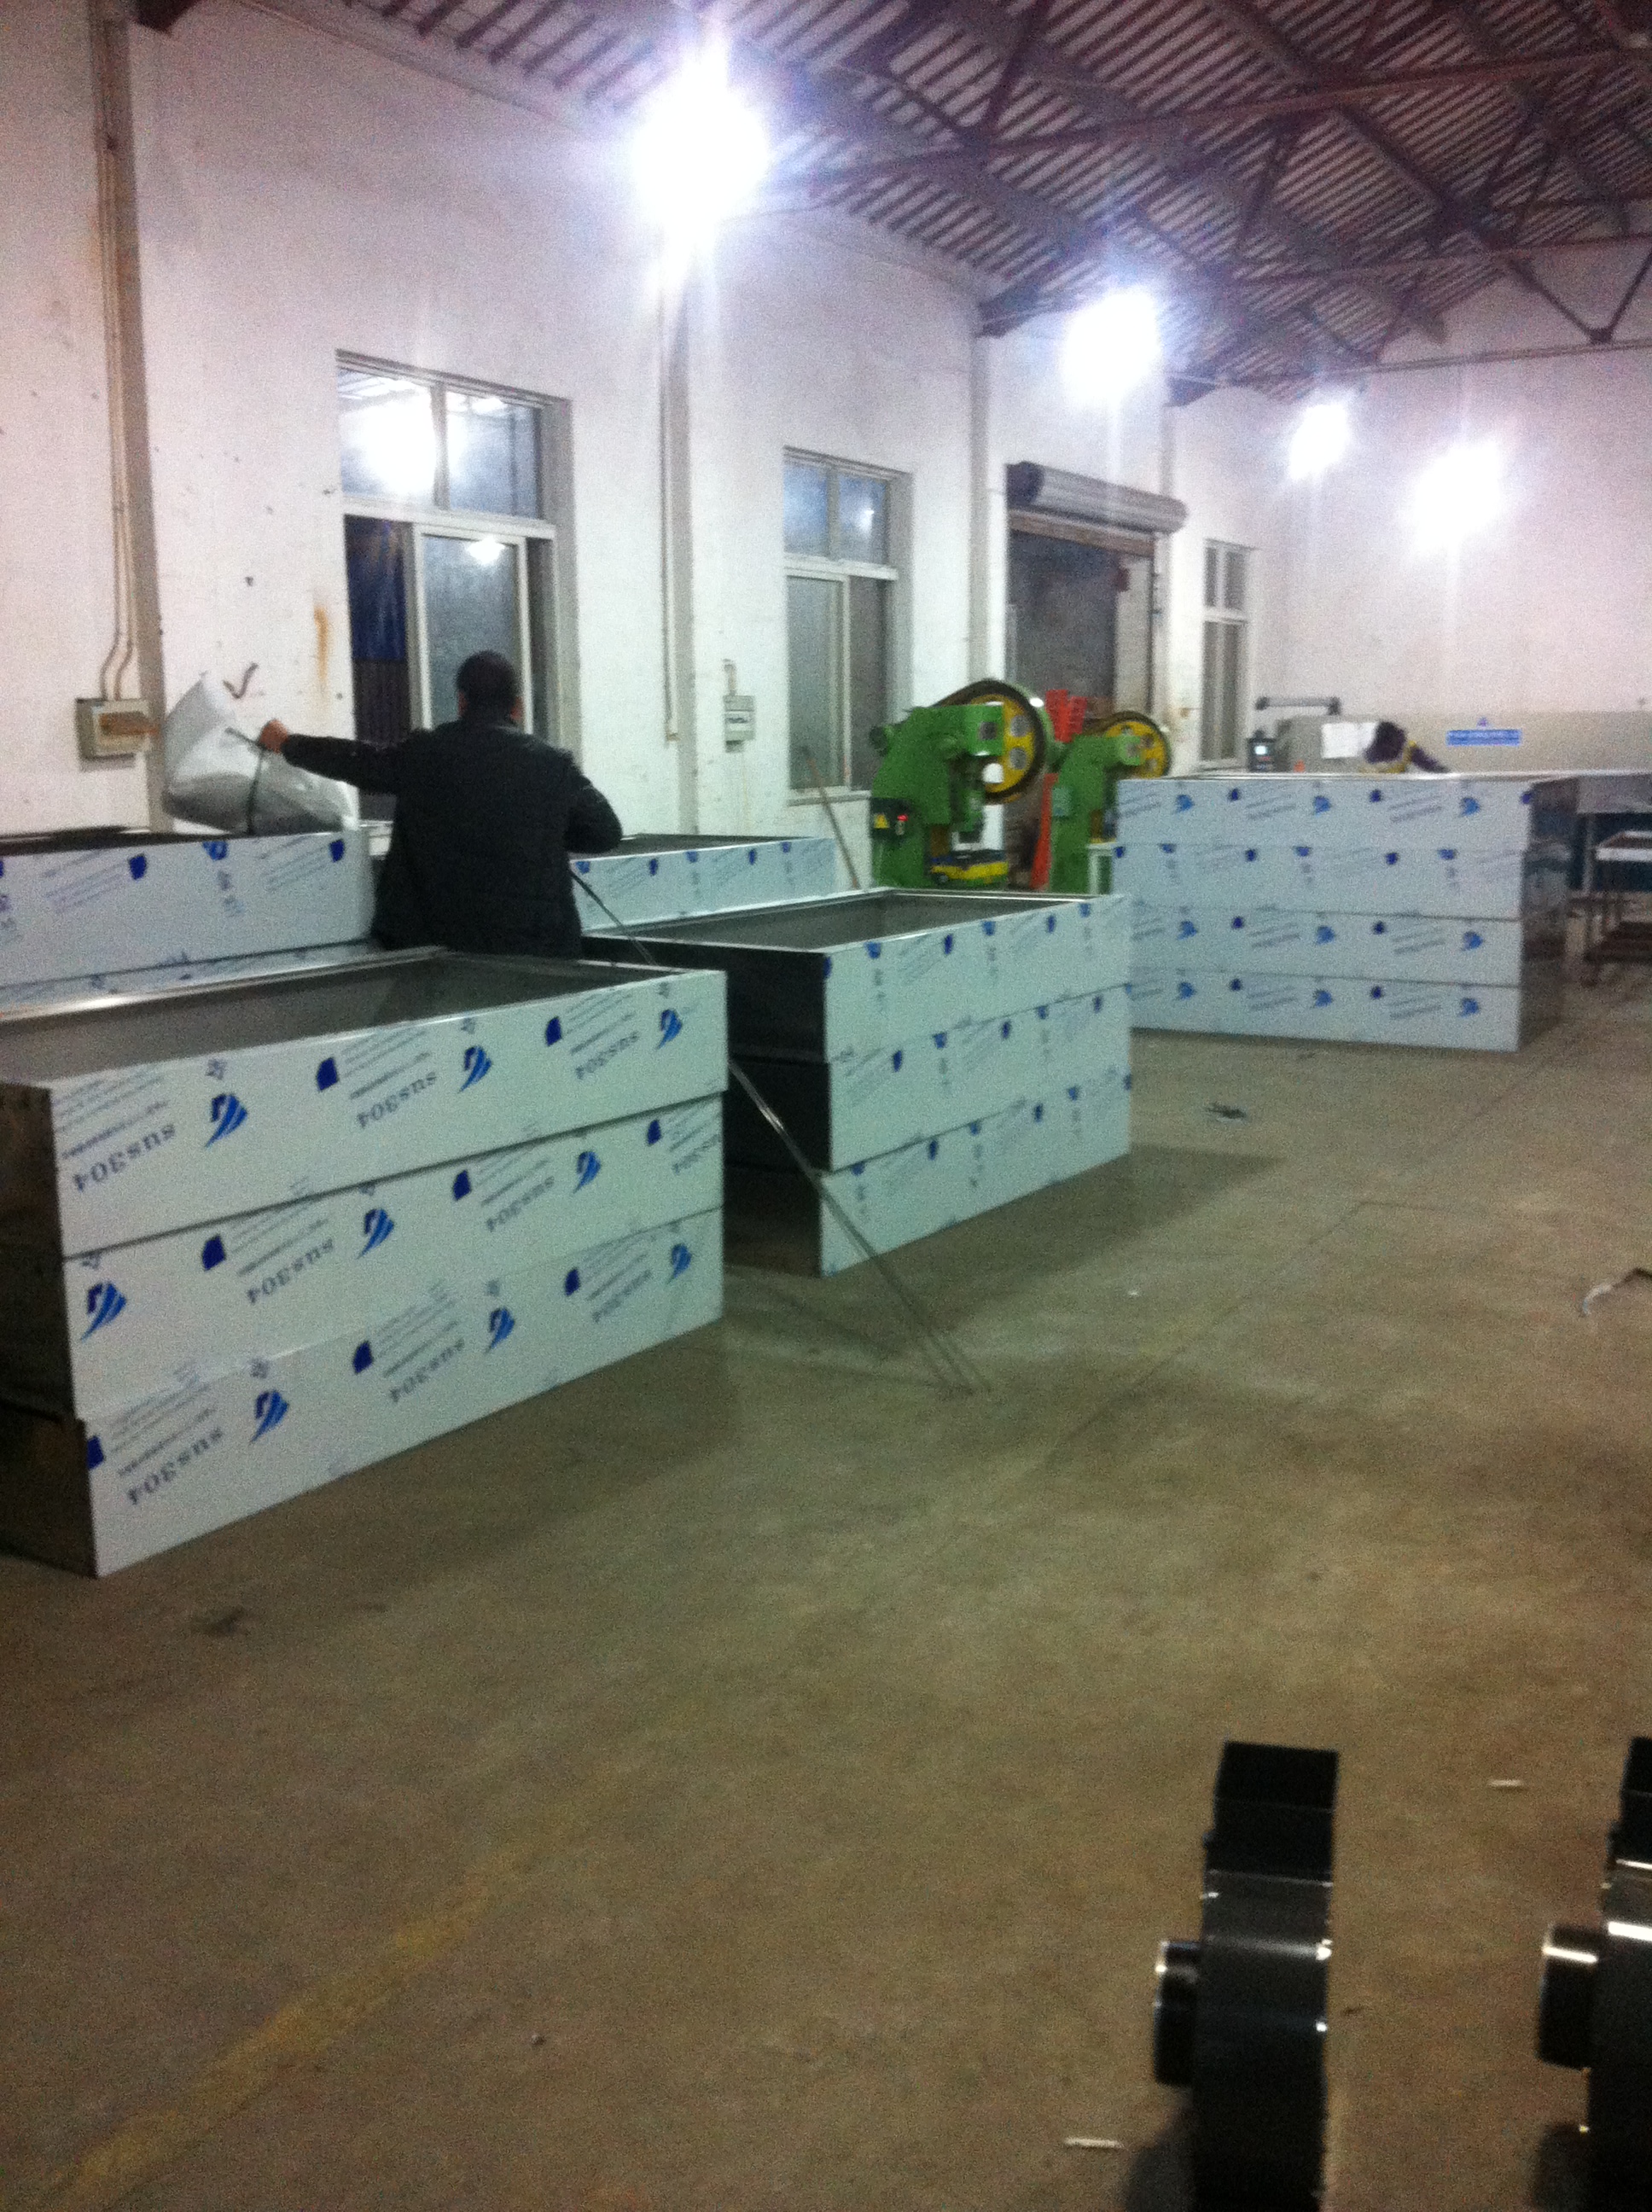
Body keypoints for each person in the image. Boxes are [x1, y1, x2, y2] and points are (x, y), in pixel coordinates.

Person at [259, 650, 622, 958]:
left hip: (436, 954)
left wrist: (288, 743)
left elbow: (356, 760)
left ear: (462, 701)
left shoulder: (423, 755)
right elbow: (605, 833)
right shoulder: (553, 765)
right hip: (534, 952)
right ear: (518, 706)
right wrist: (540, 832)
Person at [1364, 719, 1446, 774]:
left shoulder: (1408, 747)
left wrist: (1440, 770)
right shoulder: (1373, 752)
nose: (1391, 746)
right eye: (1386, 742)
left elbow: (1426, 762)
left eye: (1392, 740)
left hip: (1401, 785)